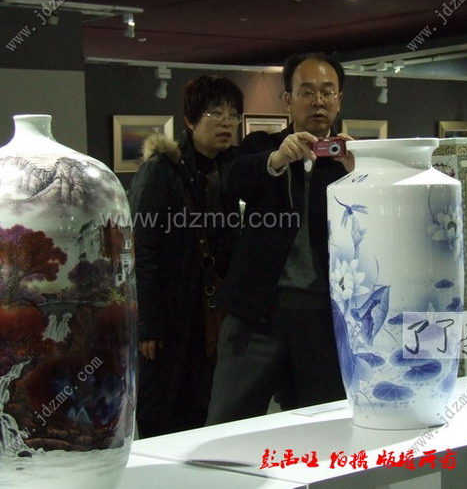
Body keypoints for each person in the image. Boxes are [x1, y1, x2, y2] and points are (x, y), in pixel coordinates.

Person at [206, 52, 354, 424]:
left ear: (339, 100)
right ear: (288, 100)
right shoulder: (262, 146)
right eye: (307, 92)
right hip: (257, 311)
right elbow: (232, 179)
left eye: (327, 92)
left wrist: (361, 175)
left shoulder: (351, 158)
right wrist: (275, 160)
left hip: (323, 314)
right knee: (228, 423)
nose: (318, 101)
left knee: (323, 426)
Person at [129, 75, 244, 437]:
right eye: (215, 113)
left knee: (206, 404)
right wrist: (148, 324)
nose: (226, 122)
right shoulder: (161, 170)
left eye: (233, 114)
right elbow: (142, 249)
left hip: (211, 308)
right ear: (191, 120)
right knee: (163, 405)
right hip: (170, 309)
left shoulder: (230, 167)